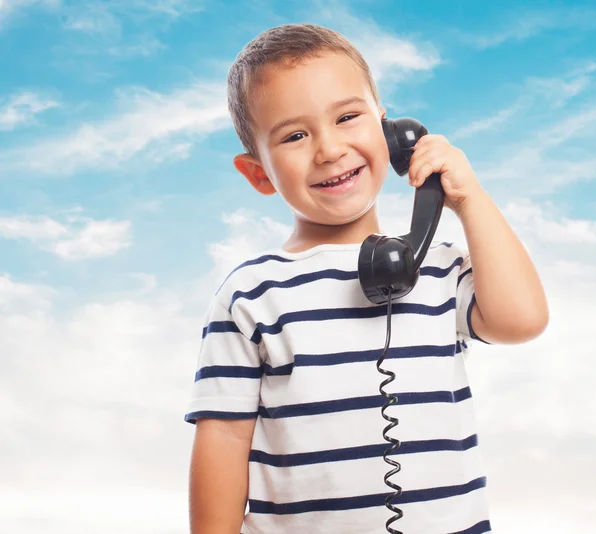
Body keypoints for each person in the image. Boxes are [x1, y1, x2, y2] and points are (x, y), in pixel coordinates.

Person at [184, 23, 549, 534]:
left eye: (348, 117)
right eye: (294, 135)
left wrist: (468, 198)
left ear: (390, 131)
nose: (329, 149)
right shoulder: (251, 294)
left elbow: (522, 321)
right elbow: (223, 439)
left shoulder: (439, 269)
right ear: (259, 173)